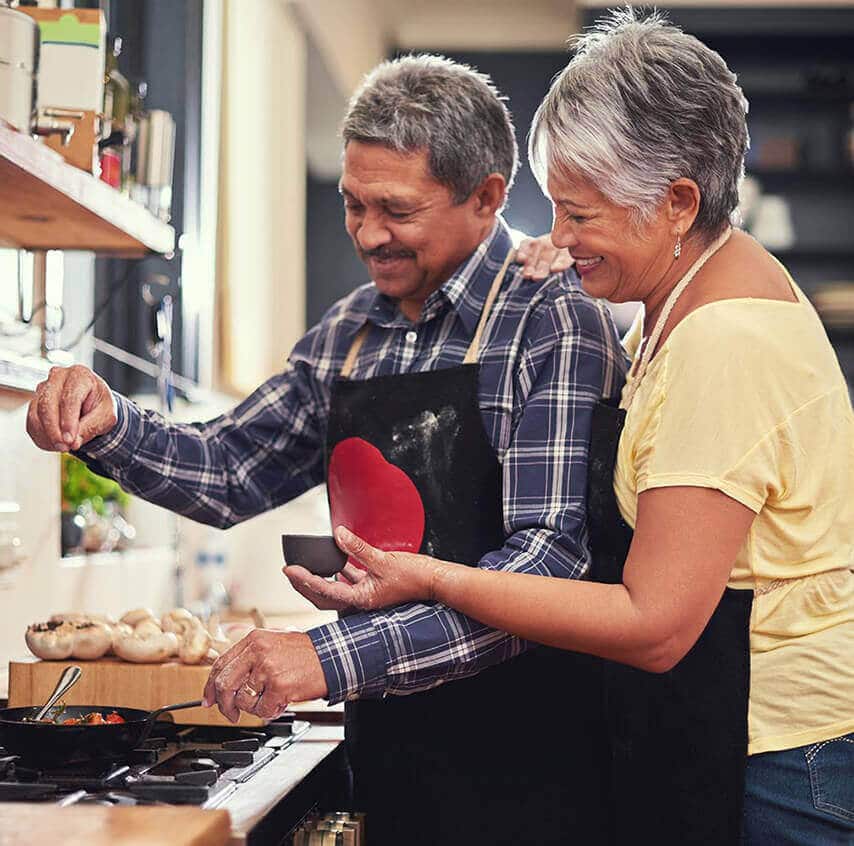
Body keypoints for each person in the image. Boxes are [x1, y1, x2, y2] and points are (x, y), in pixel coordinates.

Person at [284, 11, 854, 846]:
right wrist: (584, 259)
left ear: (676, 203)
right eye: (553, 210)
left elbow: (653, 626)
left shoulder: (723, 341)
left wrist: (434, 578)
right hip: (737, 733)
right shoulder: (680, 300)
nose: (556, 238)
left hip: (783, 762)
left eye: (579, 214)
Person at [26, 55, 626, 845]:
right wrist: (108, 422)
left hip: (534, 759)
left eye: (396, 210)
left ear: (486, 196)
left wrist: (331, 656)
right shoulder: (350, 332)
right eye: (352, 204)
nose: (368, 234)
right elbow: (232, 467)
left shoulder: (552, 319)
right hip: (388, 746)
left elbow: (548, 565)